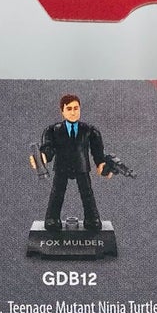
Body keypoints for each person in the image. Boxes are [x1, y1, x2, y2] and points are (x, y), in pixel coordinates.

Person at [37, 95, 113, 231]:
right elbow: (49, 146)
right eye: (69, 109)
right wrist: (43, 157)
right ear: (62, 111)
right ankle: (52, 219)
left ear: (80, 109)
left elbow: (97, 150)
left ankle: (92, 219)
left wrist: (101, 164)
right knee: (57, 193)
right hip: (62, 166)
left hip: (81, 166)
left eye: (76, 108)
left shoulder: (89, 130)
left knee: (87, 193)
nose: (73, 112)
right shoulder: (53, 130)